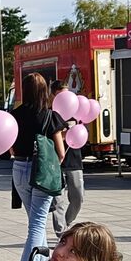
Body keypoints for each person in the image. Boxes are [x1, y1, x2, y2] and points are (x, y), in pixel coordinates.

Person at [10, 73, 67, 261]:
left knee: (35, 221)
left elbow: (11, 148)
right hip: (41, 172)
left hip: (18, 169)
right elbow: (61, 153)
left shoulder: (14, 115)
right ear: (44, 91)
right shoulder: (50, 116)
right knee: (37, 224)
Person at [50, 82, 85, 237]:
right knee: (58, 201)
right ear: (54, 95)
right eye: (61, 94)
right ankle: (61, 233)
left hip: (74, 160)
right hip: (56, 161)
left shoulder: (77, 112)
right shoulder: (50, 114)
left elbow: (82, 133)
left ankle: (67, 223)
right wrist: (63, 135)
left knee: (78, 197)